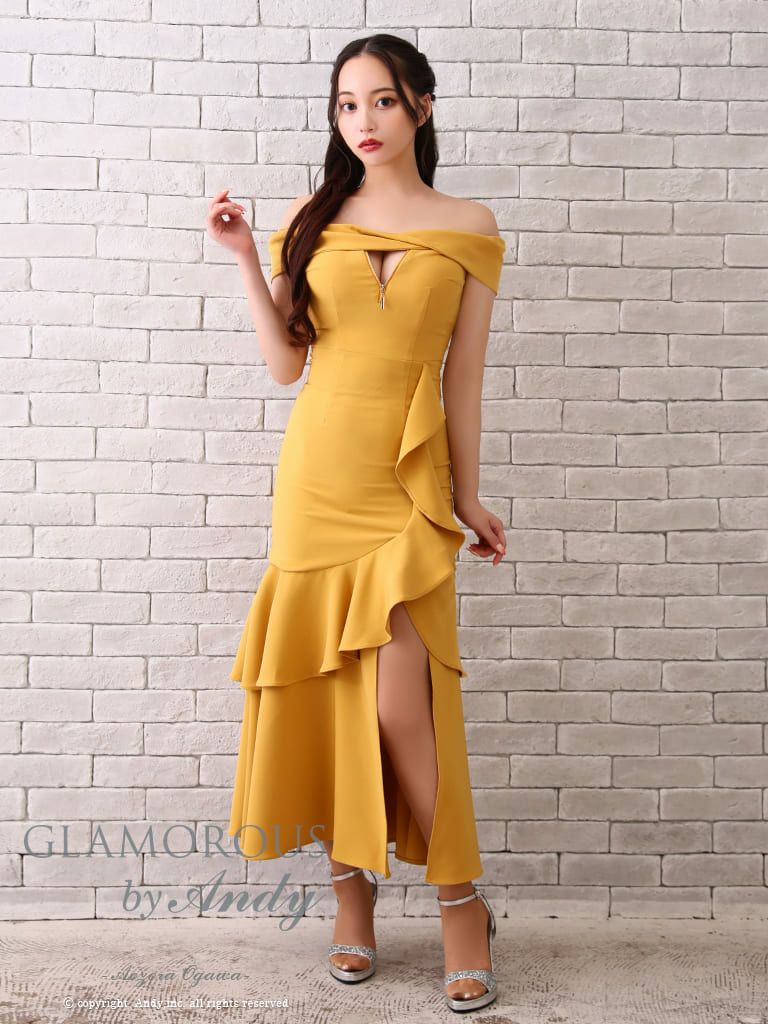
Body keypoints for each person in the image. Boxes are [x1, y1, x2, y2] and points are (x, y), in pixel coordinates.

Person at [206, 32, 506, 1014]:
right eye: (346, 105)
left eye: (380, 100)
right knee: (329, 696)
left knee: (397, 704)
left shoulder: (468, 227)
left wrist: (468, 496)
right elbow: (285, 363)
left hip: (405, 489)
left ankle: (461, 902)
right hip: (317, 482)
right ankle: (351, 900)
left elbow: (463, 380)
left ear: (422, 105)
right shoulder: (312, 218)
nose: (362, 122)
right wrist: (246, 258)